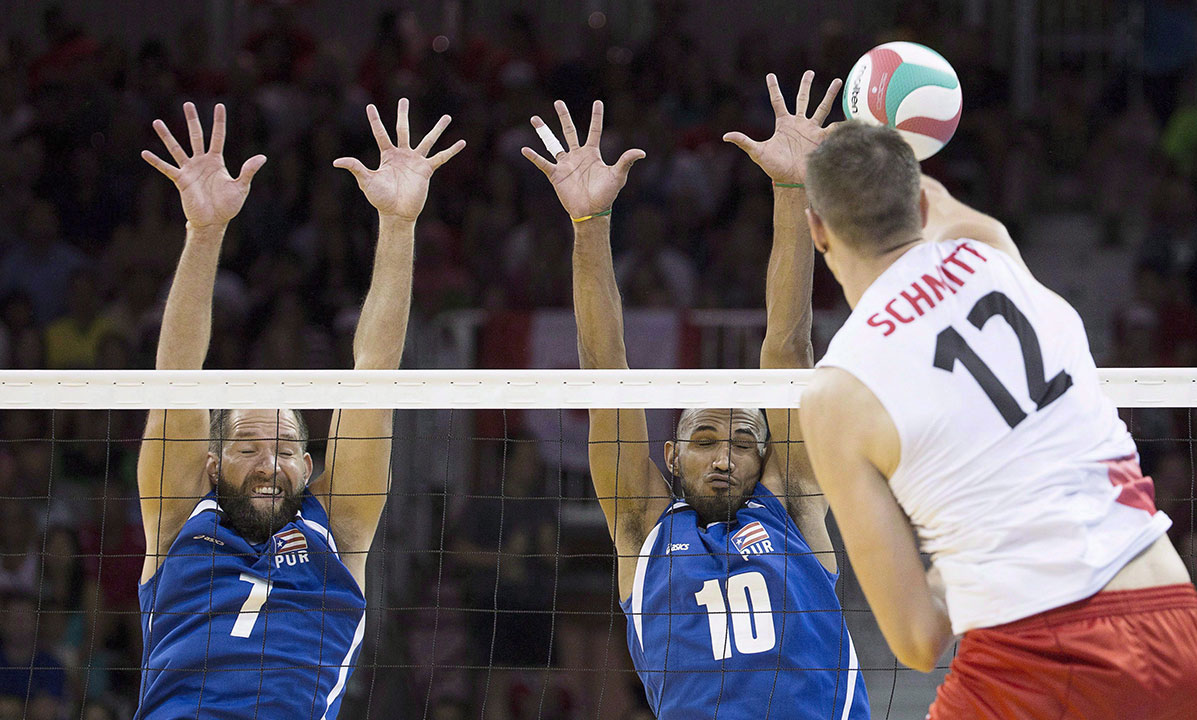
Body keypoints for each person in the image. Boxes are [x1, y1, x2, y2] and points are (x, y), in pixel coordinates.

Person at [798, 121, 1197, 719]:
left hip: (1040, 659)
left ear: (817, 229)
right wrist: (889, 126)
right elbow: (938, 204)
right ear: (920, 201)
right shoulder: (992, 248)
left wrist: (964, 568)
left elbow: (919, 641)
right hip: (1173, 620)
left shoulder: (836, 394)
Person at [521, 72, 870, 720]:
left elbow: (787, 354)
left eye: (743, 442)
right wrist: (589, 224)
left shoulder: (791, 508)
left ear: (765, 460)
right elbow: (605, 374)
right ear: (671, 457)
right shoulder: (642, 528)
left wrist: (793, 190)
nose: (723, 457)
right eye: (705, 440)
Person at [133, 99, 463, 718]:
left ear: (308, 465)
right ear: (210, 464)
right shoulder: (177, 520)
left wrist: (397, 225)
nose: (268, 463)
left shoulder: (338, 528)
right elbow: (175, 381)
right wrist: (203, 234)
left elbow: (374, 377)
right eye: (249, 447)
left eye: (284, 449)